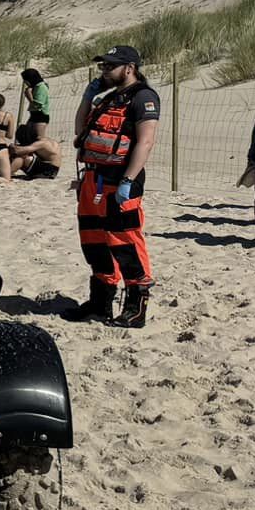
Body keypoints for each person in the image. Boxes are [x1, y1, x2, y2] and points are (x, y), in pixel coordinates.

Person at [64, 45, 159, 327]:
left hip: (120, 180)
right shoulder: (108, 98)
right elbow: (80, 132)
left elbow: (146, 141)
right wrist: (87, 98)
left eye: (110, 66)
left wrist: (128, 180)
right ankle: (100, 304)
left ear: (129, 68)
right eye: (102, 66)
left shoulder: (143, 97)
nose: (104, 70)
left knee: (125, 242)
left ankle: (135, 308)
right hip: (93, 179)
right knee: (94, 242)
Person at [18, 68, 52, 144]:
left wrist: (29, 96)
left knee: (39, 140)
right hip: (33, 115)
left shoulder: (41, 87)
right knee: (27, 136)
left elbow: (38, 104)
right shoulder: (35, 87)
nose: (25, 83)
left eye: (26, 80)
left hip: (41, 116)